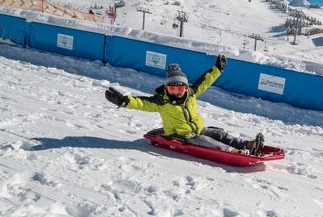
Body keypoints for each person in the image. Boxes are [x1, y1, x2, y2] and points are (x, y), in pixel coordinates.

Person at [104, 55, 264, 155]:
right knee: (205, 140)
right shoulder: (162, 101)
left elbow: (205, 81)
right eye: (173, 88)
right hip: (181, 136)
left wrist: (217, 69)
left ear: (186, 88)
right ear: (167, 88)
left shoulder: (192, 93)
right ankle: (235, 152)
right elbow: (141, 103)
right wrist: (124, 101)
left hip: (199, 128)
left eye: (180, 88)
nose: (177, 92)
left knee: (219, 134)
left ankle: (248, 145)